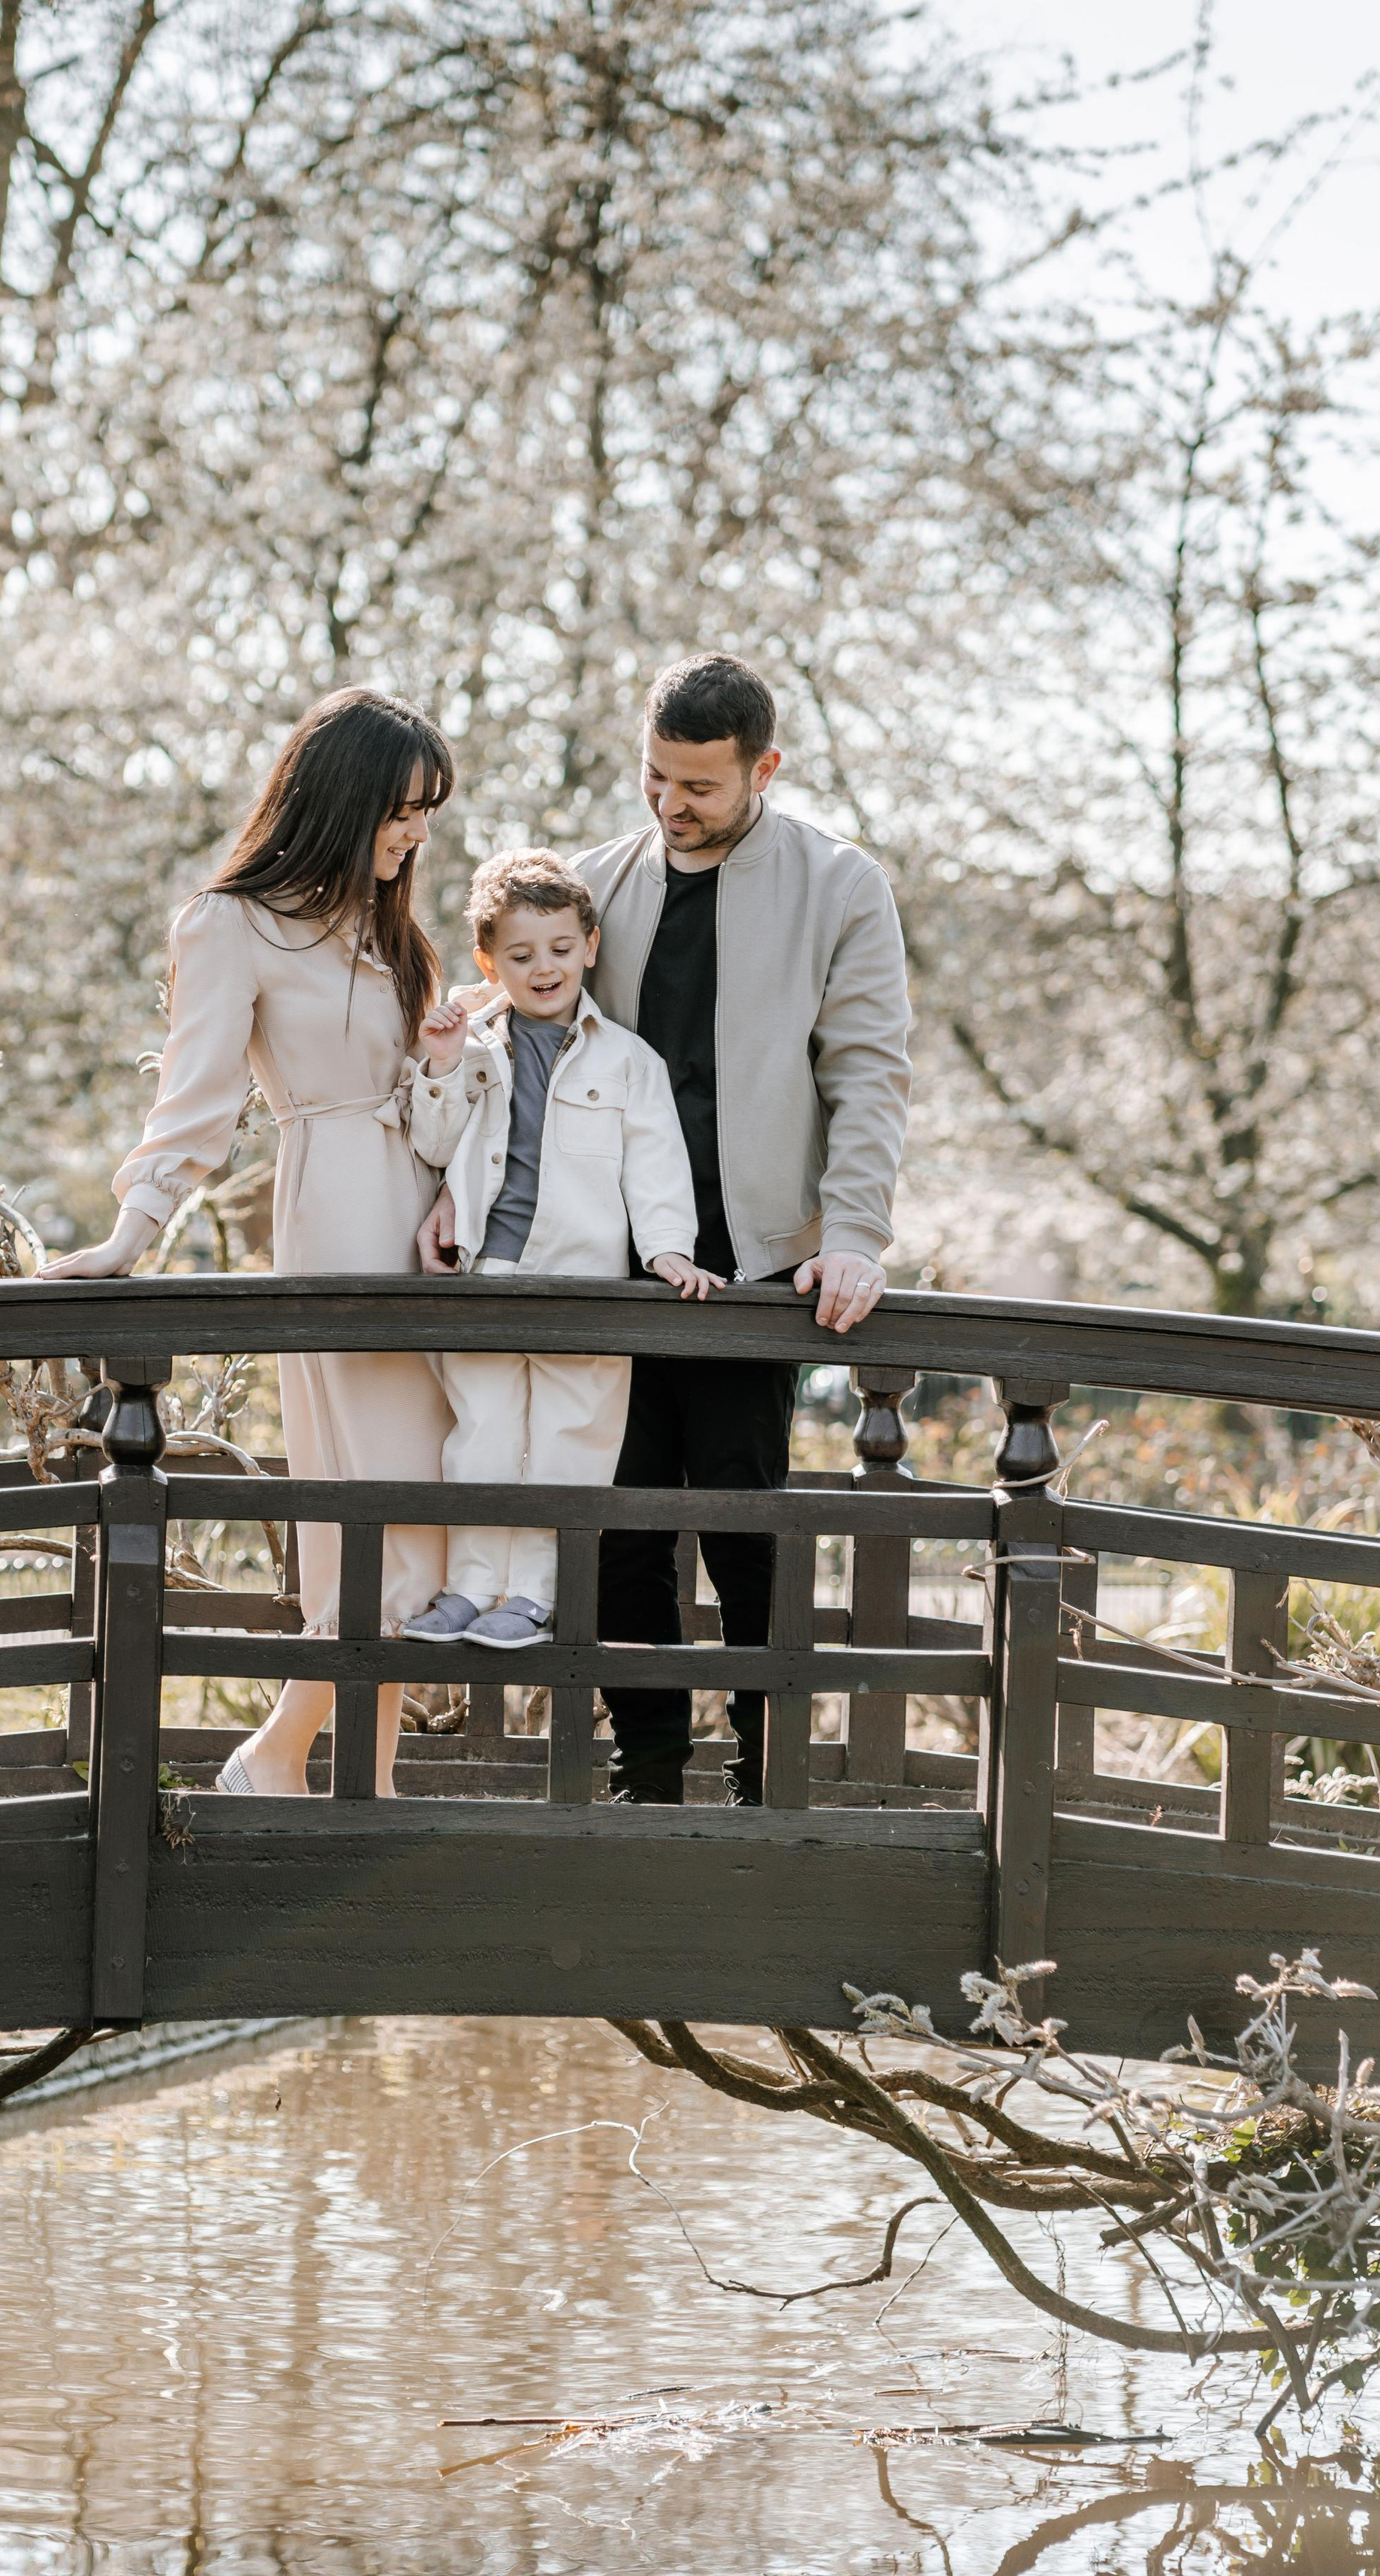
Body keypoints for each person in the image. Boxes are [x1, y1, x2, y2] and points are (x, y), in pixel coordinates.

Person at [417, 653, 912, 1803]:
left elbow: (870, 1075)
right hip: (601, 1269)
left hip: (751, 1272)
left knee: (746, 1533)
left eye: (699, 786)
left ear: (765, 769)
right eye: (656, 777)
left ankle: (765, 1777)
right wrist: (465, 1187)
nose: (671, 805)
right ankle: (647, 1773)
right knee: (619, 1537)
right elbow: (512, 1035)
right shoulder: (591, 886)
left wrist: (856, 1232)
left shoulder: (842, 887)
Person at [46, 686, 456, 1801]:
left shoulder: (385, 925)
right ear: (343, 799)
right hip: (336, 1221)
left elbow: (423, 1087)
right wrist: (132, 1233)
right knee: (377, 1519)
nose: (415, 833)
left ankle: (337, 1788)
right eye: (401, 810)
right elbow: (199, 1102)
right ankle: (287, 1759)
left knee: (423, 1514)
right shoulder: (227, 923)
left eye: (427, 813)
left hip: (426, 1228)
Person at [400, 849, 721, 1649]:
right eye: (518, 955)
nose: (541, 968)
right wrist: (437, 1067)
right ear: (488, 962)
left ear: (589, 945)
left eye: (557, 948)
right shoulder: (472, 1047)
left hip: (583, 1284)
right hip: (490, 1270)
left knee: (568, 1442)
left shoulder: (627, 1061)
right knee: (480, 1436)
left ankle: (536, 1594)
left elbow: (655, 1165)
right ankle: (471, 1584)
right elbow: (432, 1145)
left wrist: (668, 1249)